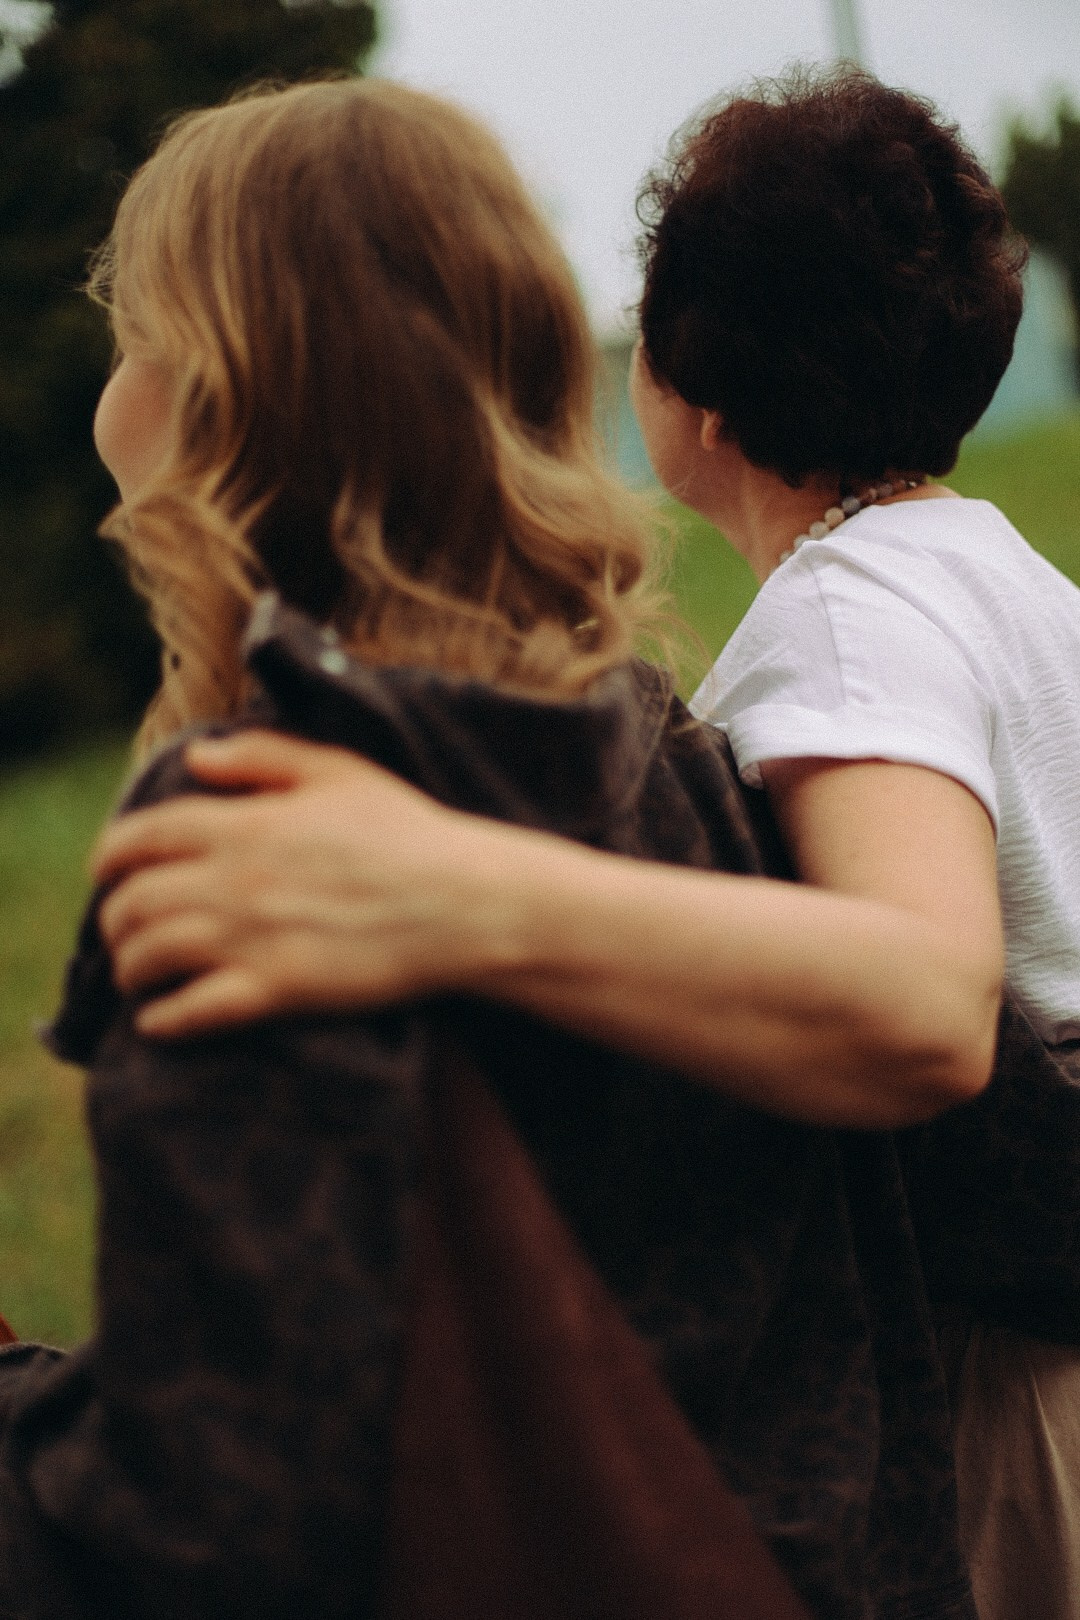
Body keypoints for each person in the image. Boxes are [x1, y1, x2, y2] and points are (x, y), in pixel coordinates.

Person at [0, 72, 991, 1620]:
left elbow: (219, 1523)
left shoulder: (267, 822)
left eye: (132, 333)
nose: (108, 393)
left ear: (214, 393)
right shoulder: (679, 755)